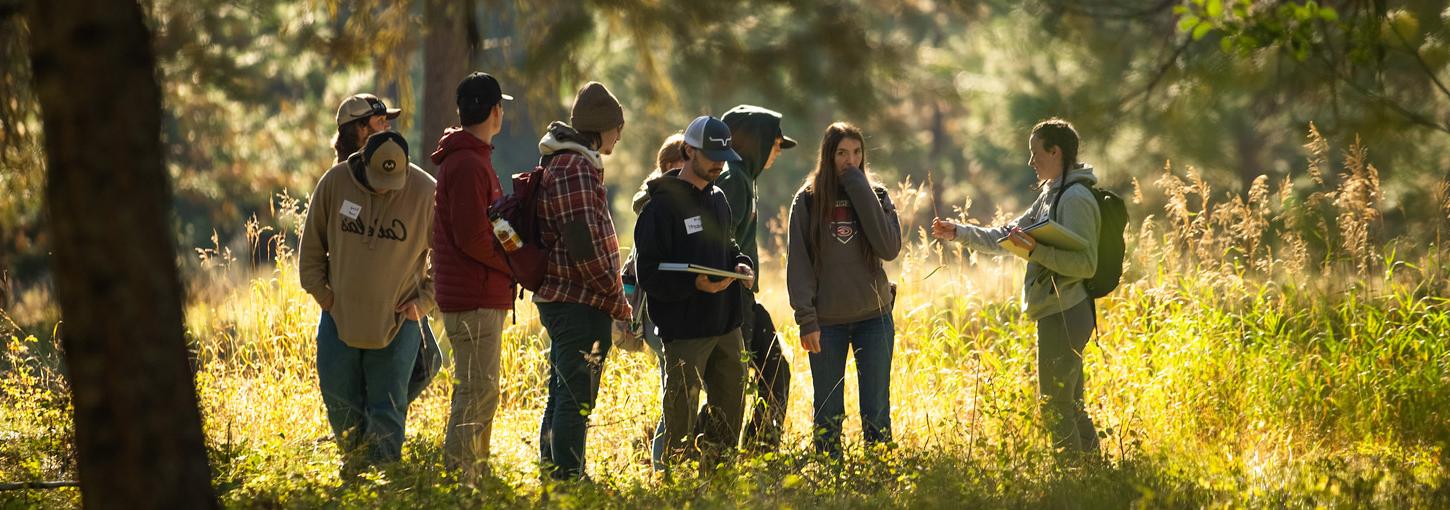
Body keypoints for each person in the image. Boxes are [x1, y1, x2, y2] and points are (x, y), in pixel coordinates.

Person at [930, 118, 1102, 454]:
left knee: (1055, 405)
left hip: (1067, 310)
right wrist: (959, 232)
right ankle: (1094, 479)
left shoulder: (1075, 197)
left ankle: (1071, 482)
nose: (1031, 162)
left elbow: (1086, 264)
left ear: (1056, 152)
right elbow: (1005, 236)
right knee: (1071, 404)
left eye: (1036, 153)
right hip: (1056, 309)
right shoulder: (1052, 193)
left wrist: (1036, 250)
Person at [299, 131, 437, 475]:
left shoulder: (427, 192)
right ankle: (354, 468)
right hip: (338, 318)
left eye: (394, 181)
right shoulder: (335, 182)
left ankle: (383, 482)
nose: (386, 188)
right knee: (339, 401)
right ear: (363, 162)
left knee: (389, 407)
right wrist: (325, 296)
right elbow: (311, 249)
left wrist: (423, 302)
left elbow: (447, 259)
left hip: (398, 323)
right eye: (379, 179)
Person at [634, 115, 754, 470]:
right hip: (685, 332)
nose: (719, 164)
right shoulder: (660, 207)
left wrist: (741, 263)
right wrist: (693, 284)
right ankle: (674, 488)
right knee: (680, 423)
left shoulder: (718, 198)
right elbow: (648, 272)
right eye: (710, 155)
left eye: (723, 156)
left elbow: (728, 246)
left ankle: (718, 485)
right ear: (688, 150)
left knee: (729, 413)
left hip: (726, 327)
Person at [533, 81, 632, 480]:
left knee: (562, 392)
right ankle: (568, 478)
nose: (620, 134)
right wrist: (614, 297)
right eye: (616, 126)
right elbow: (583, 247)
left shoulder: (574, 162)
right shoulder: (574, 167)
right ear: (600, 127)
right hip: (579, 301)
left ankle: (553, 472)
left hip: (573, 297)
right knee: (576, 398)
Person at [786, 122, 901, 459]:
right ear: (828, 155)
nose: (850, 159)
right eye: (841, 153)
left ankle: (880, 472)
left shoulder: (876, 195)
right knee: (827, 409)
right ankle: (827, 471)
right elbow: (799, 265)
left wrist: (858, 187)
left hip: (874, 319)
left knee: (876, 407)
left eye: (857, 152)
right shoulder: (807, 200)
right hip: (827, 323)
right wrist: (807, 320)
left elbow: (889, 247)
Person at [429, 71, 515, 482]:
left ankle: (474, 475)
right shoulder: (467, 163)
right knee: (477, 391)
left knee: (482, 390)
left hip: (478, 294)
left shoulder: (472, 157)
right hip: (474, 296)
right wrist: (513, 264)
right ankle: (460, 479)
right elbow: (472, 239)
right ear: (496, 111)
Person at [716, 105, 797, 451]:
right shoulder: (734, 179)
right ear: (755, 142)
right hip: (729, 299)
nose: (777, 152)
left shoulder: (745, 178)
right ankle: (720, 452)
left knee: (774, 368)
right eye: (775, 143)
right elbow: (720, 238)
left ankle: (759, 449)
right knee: (731, 382)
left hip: (744, 298)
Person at [620, 133, 687, 471]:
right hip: (657, 315)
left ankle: (669, 462)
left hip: (668, 315)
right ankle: (663, 467)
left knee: (679, 393)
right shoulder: (656, 207)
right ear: (665, 169)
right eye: (677, 168)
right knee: (676, 395)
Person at [332, 93, 401, 163]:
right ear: (360, 127)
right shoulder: (339, 173)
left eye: (385, 119)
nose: (388, 126)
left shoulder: (397, 167)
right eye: (380, 120)